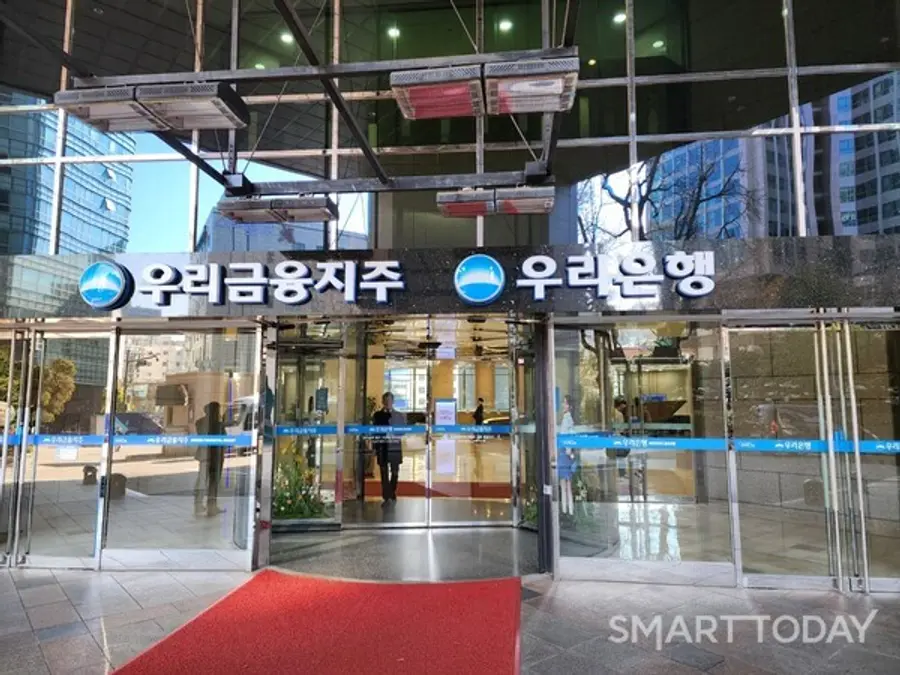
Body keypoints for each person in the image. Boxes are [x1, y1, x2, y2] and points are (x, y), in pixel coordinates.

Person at [372, 392, 405, 507]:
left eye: (390, 400)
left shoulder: (399, 415)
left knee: (395, 472)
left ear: (393, 401)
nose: (388, 403)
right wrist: (374, 447)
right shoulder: (377, 415)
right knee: (383, 472)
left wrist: (394, 433)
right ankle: (386, 495)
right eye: (386, 401)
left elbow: (402, 431)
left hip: (395, 446)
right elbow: (374, 432)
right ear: (383, 402)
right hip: (382, 446)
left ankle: (392, 491)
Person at [194, 401, 225, 517]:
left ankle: (198, 504)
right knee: (213, 482)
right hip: (214, 456)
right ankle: (211, 506)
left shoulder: (200, 422)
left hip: (204, 455)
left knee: (202, 480)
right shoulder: (217, 424)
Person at [558, 395, 577, 517]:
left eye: (565, 403)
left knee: (564, 484)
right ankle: (569, 510)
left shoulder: (567, 419)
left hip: (564, 453)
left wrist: (569, 451)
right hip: (566, 453)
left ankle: (566, 511)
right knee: (567, 484)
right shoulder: (568, 418)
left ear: (569, 406)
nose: (563, 405)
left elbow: (567, 436)